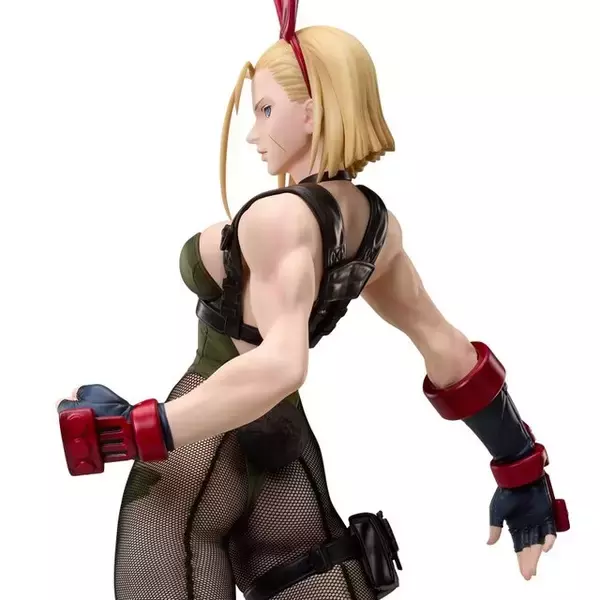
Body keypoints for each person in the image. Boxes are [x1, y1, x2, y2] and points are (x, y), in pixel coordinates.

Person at [57, 1, 569, 598]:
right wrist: (520, 465)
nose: (253, 134)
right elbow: (446, 349)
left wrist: (142, 428)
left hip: (198, 458)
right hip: (281, 448)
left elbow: (281, 364)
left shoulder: (279, 218)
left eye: (266, 110)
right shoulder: (376, 227)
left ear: (313, 110)